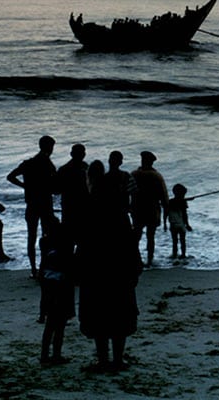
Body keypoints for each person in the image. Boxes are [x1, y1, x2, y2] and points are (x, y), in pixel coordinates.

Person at [78, 153, 142, 373]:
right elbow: (130, 243)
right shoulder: (119, 213)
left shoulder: (90, 208)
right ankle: (118, 359)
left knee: (98, 315)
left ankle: (103, 360)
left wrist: (80, 267)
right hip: (119, 271)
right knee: (120, 314)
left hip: (96, 271)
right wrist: (135, 268)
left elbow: (84, 242)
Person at [8, 136, 57, 278]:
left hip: (32, 204)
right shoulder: (48, 164)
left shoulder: (28, 163)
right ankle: (43, 268)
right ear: (49, 147)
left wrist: (25, 186)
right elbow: (55, 184)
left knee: (32, 237)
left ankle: (33, 269)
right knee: (47, 237)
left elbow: (10, 177)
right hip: (46, 204)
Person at [38, 216, 75, 366]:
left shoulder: (44, 242)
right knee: (59, 326)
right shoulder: (65, 244)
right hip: (62, 286)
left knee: (50, 325)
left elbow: (43, 265)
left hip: (49, 285)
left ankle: (45, 355)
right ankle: (55, 355)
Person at [131, 151, 169, 267]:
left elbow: (127, 192)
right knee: (150, 236)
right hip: (152, 209)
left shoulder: (134, 174)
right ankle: (150, 259)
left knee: (136, 235)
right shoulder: (156, 176)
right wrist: (166, 212)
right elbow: (164, 196)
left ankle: (135, 258)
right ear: (152, 162)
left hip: (137, 209)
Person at [54, 143, 90, 237]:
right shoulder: (87, 168)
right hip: (82, 207)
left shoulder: (64, 169)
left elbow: (56, 190)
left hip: (70, 206)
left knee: (69, 236)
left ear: (71, 154)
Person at [166, 183, 192, 259]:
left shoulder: (170, 202)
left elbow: (166, 214)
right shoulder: (183, 202)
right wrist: (187, 225)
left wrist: (164, 224)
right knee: (183, 241)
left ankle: (174, 255)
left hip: (173, 224)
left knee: (174, 241)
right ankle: (183, 255)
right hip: (181, 224)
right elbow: (185, 215)